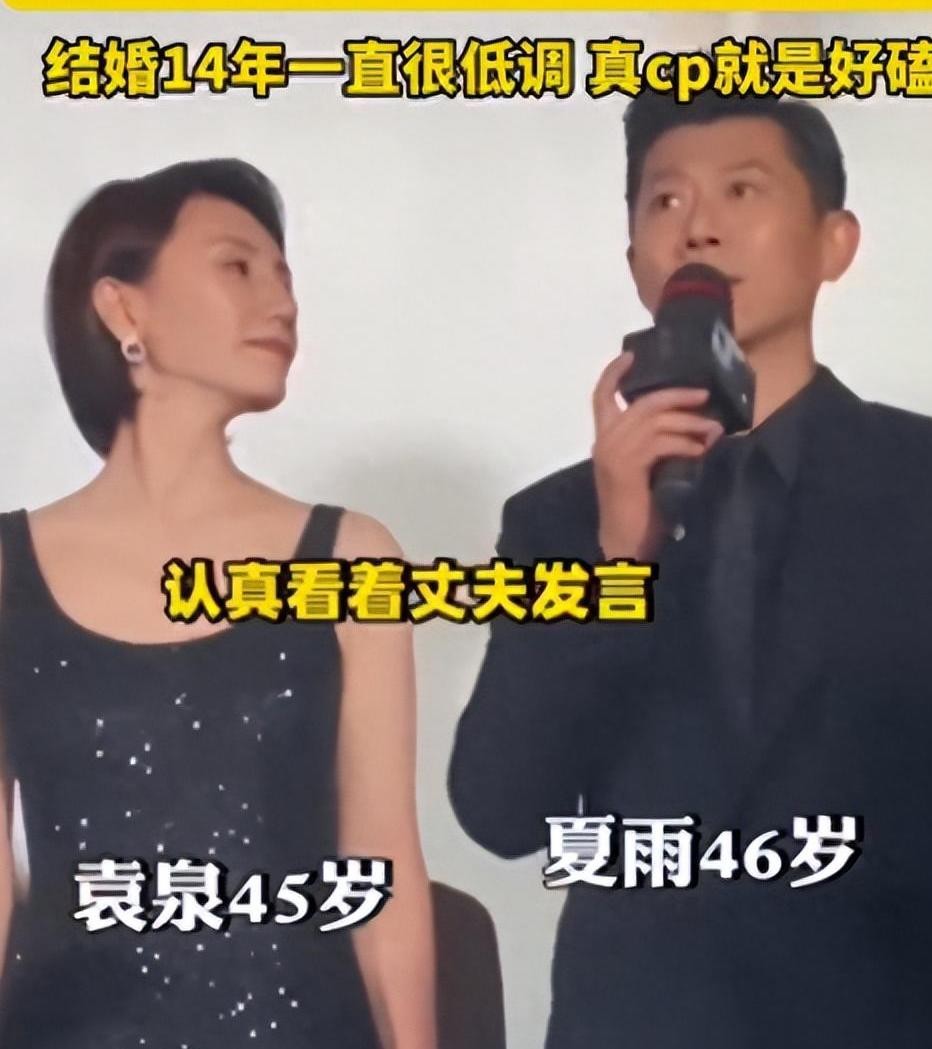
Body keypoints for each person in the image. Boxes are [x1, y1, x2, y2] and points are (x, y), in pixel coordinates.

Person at [448, 90, 932, 1048]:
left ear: (835, 243)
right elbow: (500, 809)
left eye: (742, 190)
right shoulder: (558, 520)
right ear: (636, 261)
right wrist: (613, 567)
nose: (698, 227)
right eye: (665, 201)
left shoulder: (918, 480)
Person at [0, 158, 436, 1049]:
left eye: (284, 276)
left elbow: (382, 863)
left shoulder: (351, 555)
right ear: (123, 309)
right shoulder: (6, 569)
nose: (281, 303)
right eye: (238, 266)